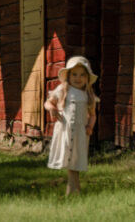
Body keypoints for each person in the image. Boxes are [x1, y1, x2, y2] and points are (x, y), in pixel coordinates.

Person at [44, 56, 99, 195]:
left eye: (82, 75)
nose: (78, 78)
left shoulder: (88, 95)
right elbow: (48, 102)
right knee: (69, 157)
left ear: (87, 78)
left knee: (76, 158)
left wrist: (90, 126)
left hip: (80, 132)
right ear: (68, 75)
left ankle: (73, 188)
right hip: (65, 130)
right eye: (74, 74)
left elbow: (92, 115)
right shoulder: (63, 90)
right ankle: (73, 188)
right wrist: (51, 108)